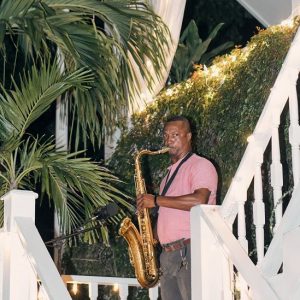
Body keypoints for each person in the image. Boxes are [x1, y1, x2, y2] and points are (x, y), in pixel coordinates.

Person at [137, 115, 218, 300]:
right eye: (166, 135)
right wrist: (151, 236)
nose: (169, 139)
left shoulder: (200, 165)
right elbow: (169, 211)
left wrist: (156, 200)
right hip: (168, 256)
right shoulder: (168, 176)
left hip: (188, 252)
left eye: (175, 134)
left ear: (189, 136)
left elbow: (199, 201)